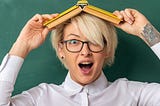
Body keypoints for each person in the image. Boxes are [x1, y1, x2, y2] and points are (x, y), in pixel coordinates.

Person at [0, 8, 160, 106]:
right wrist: (23, 44)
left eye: (94, 41)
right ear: (61, 49)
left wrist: (146, 31)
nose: (85, 52)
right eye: (74, 41)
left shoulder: (134, 94)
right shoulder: (40, 98)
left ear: (108, 50)